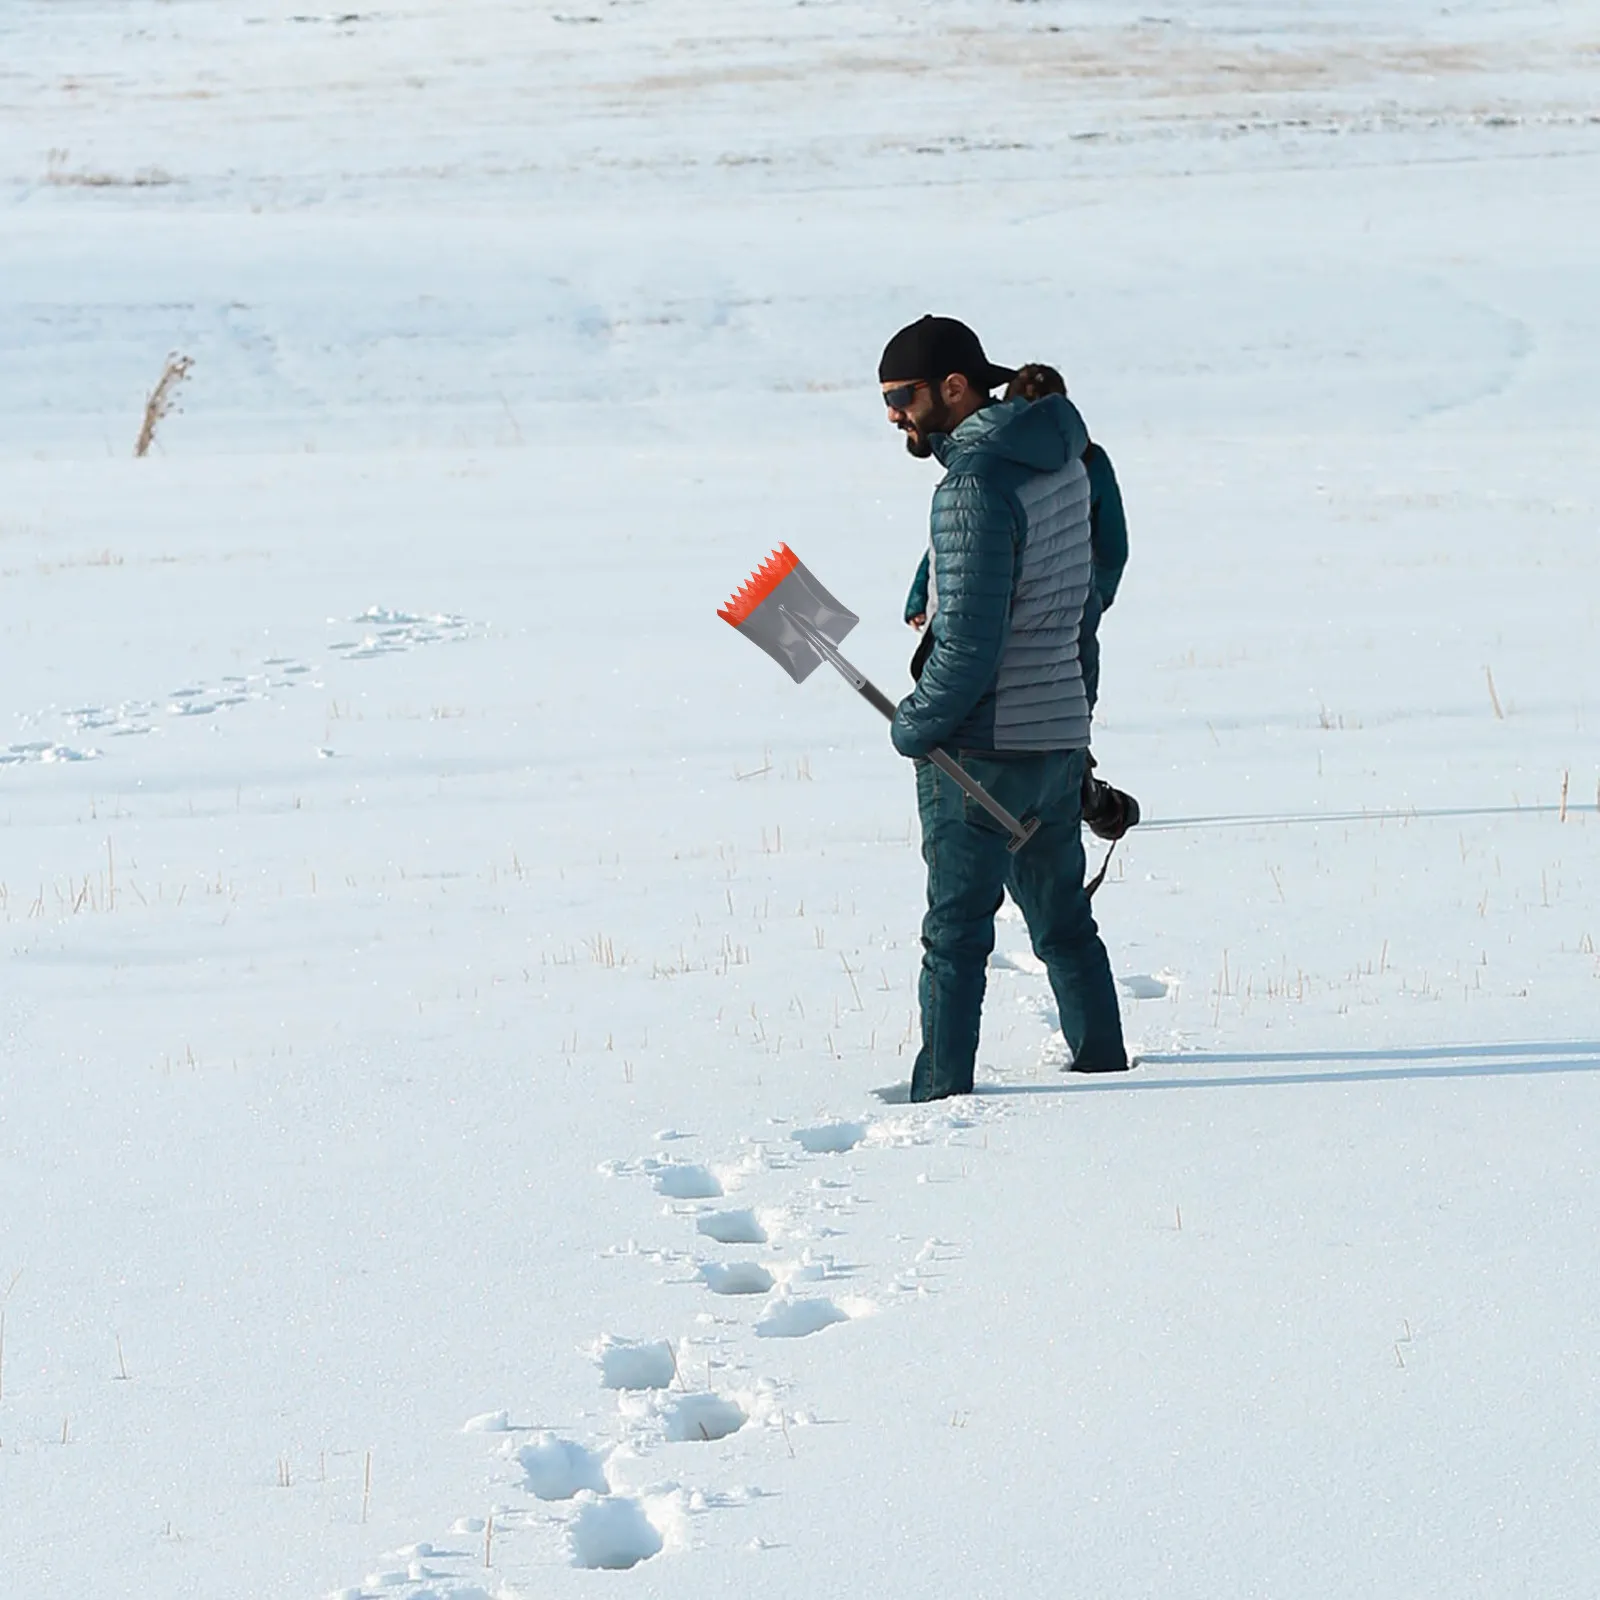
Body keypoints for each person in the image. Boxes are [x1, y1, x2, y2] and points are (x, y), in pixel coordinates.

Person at [878, 315, 1130, 1101]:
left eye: (903, 397)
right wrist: (1077, 720)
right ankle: (1102, 1071)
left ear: (954, 387)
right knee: (1063, 924)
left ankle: (939, 1099)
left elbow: (971, 645)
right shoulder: (1064, 461)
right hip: (1054, 736)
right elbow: (1086, 604)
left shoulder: (973, 486)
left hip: (981, 750)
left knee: (954, 938)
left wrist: (914, 723)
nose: (894, 415)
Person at [902, 358, 1137, 841]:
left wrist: (1087, 598)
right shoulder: (1052, 462)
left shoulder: (1053, 464)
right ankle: (1073, 786)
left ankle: (1075, 787)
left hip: (1050, 618)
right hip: (1059, 617)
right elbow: (958, 547)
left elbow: (1108, 545)